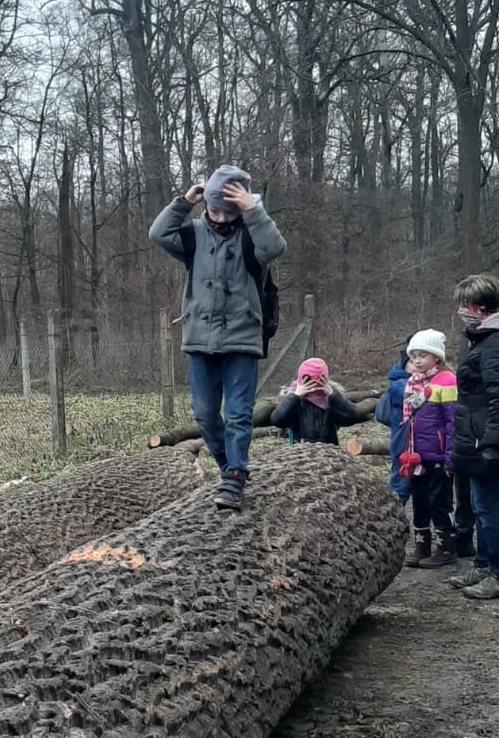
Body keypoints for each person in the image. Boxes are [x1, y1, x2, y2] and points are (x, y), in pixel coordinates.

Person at [149, 166, 287, 509]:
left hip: (242, 339)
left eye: (230, 211)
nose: (222, 218)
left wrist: (253, 210)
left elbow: (275, 246)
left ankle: (236, 475)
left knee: (239, 414)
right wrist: (184, 203)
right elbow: (158, 233)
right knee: (204, 413)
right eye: (215, 210)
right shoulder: (193, 235)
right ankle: (227, 465)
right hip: (200, 339)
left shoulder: (252, 235)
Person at [448, 274, 499, 600]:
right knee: (478, 506)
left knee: (489, 507)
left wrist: (492, 443)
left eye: (464, 305)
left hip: (487, 435)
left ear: (478, 307)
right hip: (472, 431)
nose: (460, 311)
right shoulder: (480, 338)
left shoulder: (498, 343)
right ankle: (482, 565)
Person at [398, 329, 459, 569]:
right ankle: (421, 544)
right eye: (413, 356)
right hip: (415, 455)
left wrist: (450, 456)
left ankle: (446, 546)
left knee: (439, 501)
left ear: (437, 357)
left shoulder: (447, 381)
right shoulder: (412, 383)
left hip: (437, 454)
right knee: (420, 500)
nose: (417, 361)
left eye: (423, 356)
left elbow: (453, 421)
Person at [269, 356, 361, 445]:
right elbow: (277, 420)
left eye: (318, 384)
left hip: (328, 450)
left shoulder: (330, 400)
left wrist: (333, 396)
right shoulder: (296, 401)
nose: (313, 389)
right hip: (301, 450)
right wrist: (295, 397)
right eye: (309, 384)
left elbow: (351, 418)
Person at [374, 344, 411, 504]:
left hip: (417, 444)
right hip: (403, 445)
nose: (418, 362)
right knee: (400, 487)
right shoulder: (399, 385)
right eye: (412, 360)